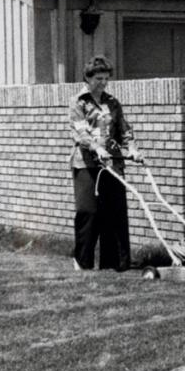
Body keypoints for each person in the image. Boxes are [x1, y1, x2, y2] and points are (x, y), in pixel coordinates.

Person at [69, 56, 137, 271]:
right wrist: (96, 147)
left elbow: (123, 128)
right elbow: (80, 132)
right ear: (87, 78)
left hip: (113, 164)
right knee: (88, 211)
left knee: (115, 212)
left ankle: (115, 264)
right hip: (87, 165)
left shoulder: (113, 102)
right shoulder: (79, 102)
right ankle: (83, 261)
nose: (103, 82)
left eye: (106, 78)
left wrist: (133, 149)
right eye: (98, 78)